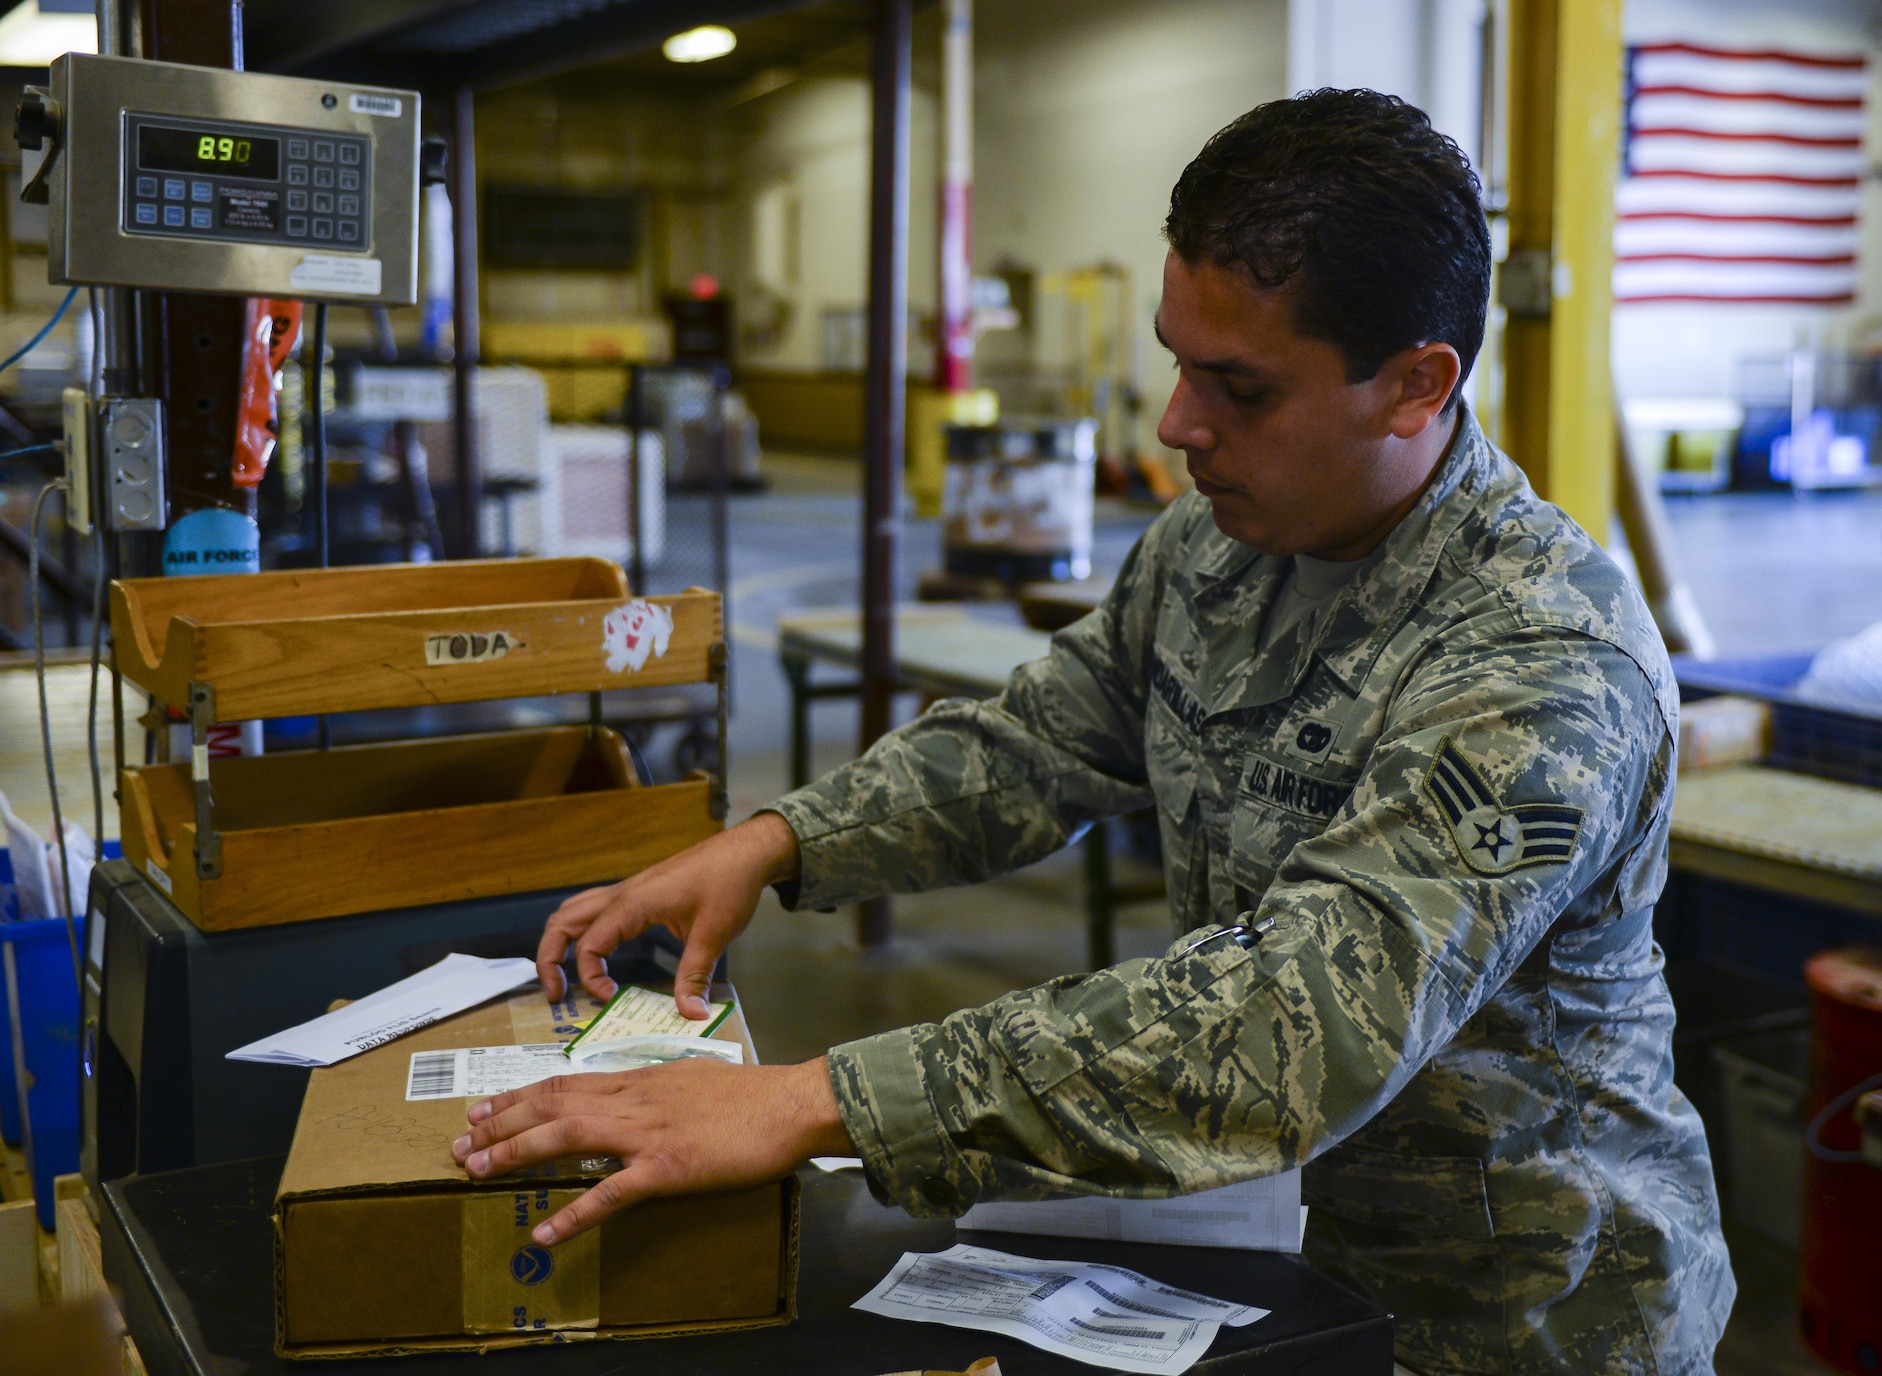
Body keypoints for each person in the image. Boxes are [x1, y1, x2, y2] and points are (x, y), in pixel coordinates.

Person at [451, 89, 1735, 1375]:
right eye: (1176, 360)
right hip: (1266, 1265)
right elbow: (1038, 739)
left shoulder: (1540, 659)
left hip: (1513, 1320)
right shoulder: (1215, 546)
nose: (1176, 423)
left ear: (1413, 385)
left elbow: (1297, 1022)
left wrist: (818, 1099)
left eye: (1236, 385)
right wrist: (784, 839)